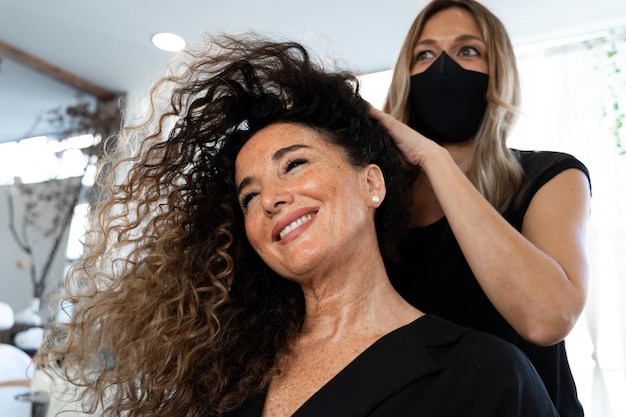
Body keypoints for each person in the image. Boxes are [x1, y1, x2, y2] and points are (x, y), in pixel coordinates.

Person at [37, 34, 558, 417]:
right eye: (249, 196)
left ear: (371, 184)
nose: (272, 199)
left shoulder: (482, 375)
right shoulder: (227, 376)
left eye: (294, 164)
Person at [370, 0, 592, 415]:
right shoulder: (377, 196)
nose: (443, 67)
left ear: (498, 73)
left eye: (467, 50)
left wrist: (435, 159)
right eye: (425, 54)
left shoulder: (551, 175)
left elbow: (546, 319)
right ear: (406, 75)